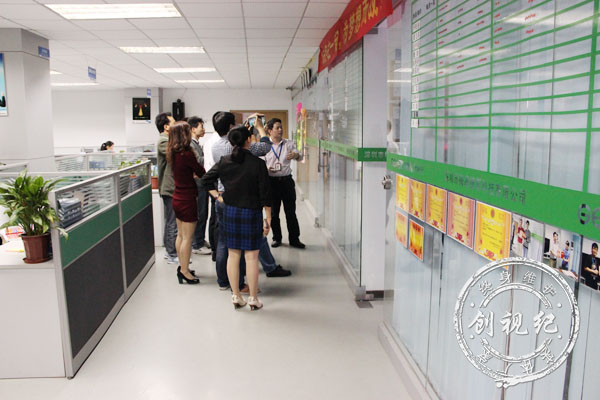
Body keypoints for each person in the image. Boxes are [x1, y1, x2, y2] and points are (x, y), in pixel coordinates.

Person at [210, 112, 290, 291]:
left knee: (225, 243)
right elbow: (265, 146)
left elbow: (207, 179)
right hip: (242, 200)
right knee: (247, 247)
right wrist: (260, 128)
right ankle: (242, 284)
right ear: (231, 127)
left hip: (223, 198)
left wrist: (216, 196)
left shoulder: (217, 146)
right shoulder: (244, 150)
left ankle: (224, 282)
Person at [202, 125, 271, 310]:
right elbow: (266, 194)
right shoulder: (258, 163)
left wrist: (218, 196)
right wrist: (268, 217)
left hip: (230, 211)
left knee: (233, 255)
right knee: (251, 257)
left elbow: (206, 179)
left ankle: (236, 296)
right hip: (252, 212)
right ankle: (253, 298)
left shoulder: (225, 161)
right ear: (248, 140)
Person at [168, 121, 205, 284]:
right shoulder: (187, 154)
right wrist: (195, 174)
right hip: (188, 198)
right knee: (188, 238)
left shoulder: (172, 152)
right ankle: (184, 271)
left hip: (177, 197)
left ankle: (182, 267)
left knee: (181, 235)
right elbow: (200, 171)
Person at [264, 118, 305, 249]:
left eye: (281, 127)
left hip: (286, 181)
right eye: (277, 128)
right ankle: (277, 238)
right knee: (274, 213)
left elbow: (300, 157)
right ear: (270, 131)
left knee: (290, 212)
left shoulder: (288, 143)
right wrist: (267, 169)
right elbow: (260, 163)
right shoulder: (265, 146)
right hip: (272, 182)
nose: (280, 130)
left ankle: (294, 239)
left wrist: (295, 155)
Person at [156, 112, 180, 264]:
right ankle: (171, 254)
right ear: (166, 127)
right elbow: (176, 155)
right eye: (173, 123)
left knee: (173, 221)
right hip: (169, 187)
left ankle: (171, 251)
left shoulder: (169, 140)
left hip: (173, 186)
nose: (176, 125)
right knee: (172, 222)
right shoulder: (163, 141)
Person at [188, 116, 211, 256]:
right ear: (193, 129)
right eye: (201, 127)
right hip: (197, 184)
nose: (204, 129)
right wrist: (210, 154)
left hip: (201, 183)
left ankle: (200, 239)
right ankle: (197, 244)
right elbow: (199, 161)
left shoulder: (196, 143)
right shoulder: (191, 145)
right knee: (200, 214)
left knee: (203, 213)